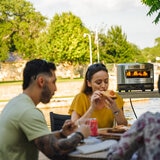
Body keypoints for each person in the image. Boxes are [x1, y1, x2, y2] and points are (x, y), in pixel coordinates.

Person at [0, 59, 90, 160]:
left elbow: (41, 140)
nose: (55, 88)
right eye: (53, 82)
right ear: (41, 81)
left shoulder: (15, 103)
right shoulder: (28, 112)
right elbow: (56, 151)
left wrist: (62, 134)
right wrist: (80, 134)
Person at [68, 63, 128, 128]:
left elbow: (124, 125)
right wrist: (92, 107)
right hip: (86, 136)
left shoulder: (114, 97)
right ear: (89, 83)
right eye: (98, 82)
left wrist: (115, 108)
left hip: (107, 137)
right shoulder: (81, 98)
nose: (103, 86)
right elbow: (73, 126)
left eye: (106, 81)